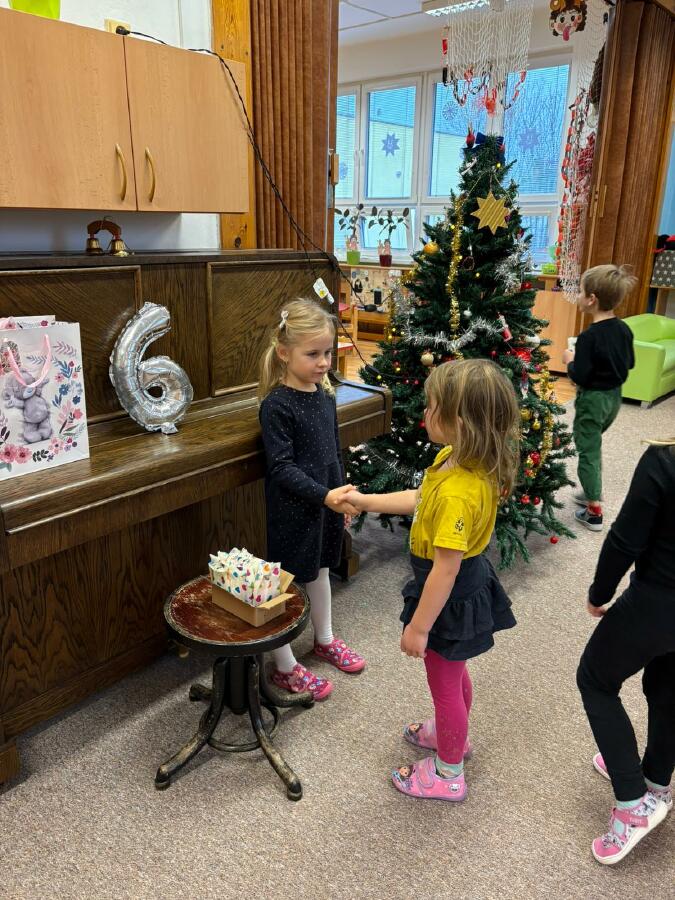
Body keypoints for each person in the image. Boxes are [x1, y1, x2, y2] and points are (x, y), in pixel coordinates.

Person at [346, 359, 519, 801]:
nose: (424, 411)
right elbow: (420, 499)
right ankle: (451, 735)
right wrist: (364, 500)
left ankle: (448, 771)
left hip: (449, 594)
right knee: (453, 675)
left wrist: (419, 627)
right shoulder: (454, 459)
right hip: (455, 587)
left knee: (443, 684)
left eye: (432, 404)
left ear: (460, 421)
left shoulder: (461, 490)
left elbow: (446, 568)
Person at [258, 299, 365, 702]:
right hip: (294, 509)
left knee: (320, 570)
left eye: (327, 353)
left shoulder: (325, 394)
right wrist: (326, 496)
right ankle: (284, 666)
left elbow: (333, 451)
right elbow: (281, 468)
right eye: (313, 354)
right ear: (284, 353)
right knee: (283, 585)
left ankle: (325, 639)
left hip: (326, 503)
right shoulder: (276, 406)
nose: (323, 363)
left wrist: (343, 493)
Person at [576, 438, 675, 865]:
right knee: (667, 683)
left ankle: (634, 804)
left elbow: (625, 539)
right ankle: (656, 782)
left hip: (659, 601)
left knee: (595, 678)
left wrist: (600, 593)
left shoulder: (665, 458)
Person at [561, 264, 636, 532]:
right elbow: (629, 363)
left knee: (588, 451)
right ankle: (592, 489)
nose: (579, 296)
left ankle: (593, 512)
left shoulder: (588, 337)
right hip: (614, 399)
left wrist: (569, 361)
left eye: (581, 291)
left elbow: (579, 376)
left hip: (593, 401)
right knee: (594, 445)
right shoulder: (624, 329)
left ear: (591, 299)